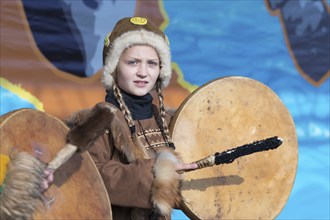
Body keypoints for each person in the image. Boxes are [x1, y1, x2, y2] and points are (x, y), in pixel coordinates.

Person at [65, 16, 197, 220]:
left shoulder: (171, 122)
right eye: (133, 62)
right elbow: (87, 174)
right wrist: (156, 173)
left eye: (152, 63)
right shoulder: (97, 120)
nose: (143, 72)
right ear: (115, 67)